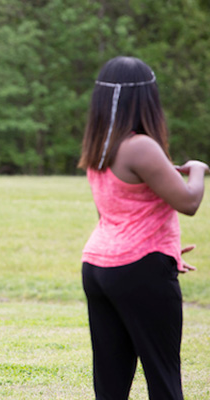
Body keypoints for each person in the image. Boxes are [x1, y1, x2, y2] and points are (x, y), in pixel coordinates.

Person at [78, 56, 208, 400]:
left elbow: (114, 210)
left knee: (110, 380)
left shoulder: (99, 145)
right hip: (139, 268)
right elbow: (189, 203)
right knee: (163, 375)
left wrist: (164, 250)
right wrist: (198, 169)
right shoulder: (140, 146)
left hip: (98, 266)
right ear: (145, 97)